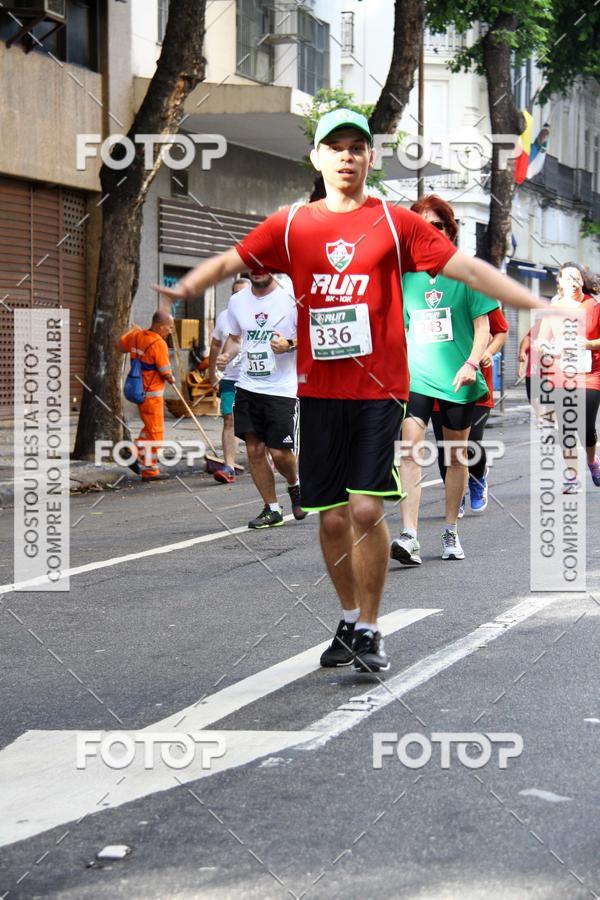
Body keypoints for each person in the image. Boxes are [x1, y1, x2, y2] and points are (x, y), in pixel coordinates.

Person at [156, 107, 547, 673]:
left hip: (379, 390)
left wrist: (535, 301)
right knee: (332, 516)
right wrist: (179, 290)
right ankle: (346, 618)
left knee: (364, 508)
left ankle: (370, 625)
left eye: (356, 147)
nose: (346, 155)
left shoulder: (394, 223)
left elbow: (468, 270)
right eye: (334, 146)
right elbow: (233, 260)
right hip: (316, 393)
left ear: (370, 158)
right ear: (317, 158)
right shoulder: (292, 225)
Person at [391, 195, 499, 565]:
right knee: (409, 449)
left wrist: (471, 363)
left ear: (448, 231)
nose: (428, 231)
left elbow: (484, 327)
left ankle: (450, 530)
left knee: (455, 456)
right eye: (421, 225)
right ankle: (409, 534)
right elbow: (400, 330)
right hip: (417, 379)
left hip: (458, 379)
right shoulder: (405, 278)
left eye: (436, 225)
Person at [217, 270, 308, 527]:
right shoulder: (238, 301)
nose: (259, 271)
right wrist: (226, 356)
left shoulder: (291, 297)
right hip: (247, 385)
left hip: (282, 389)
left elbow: (312, 335)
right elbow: (236, 339)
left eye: (264, 265)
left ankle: (295, 485)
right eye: (253, 265)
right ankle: (271, 508)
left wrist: (289, 343)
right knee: (255, 450)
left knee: (280, 453)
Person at [432, 305, 509, 514]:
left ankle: (478, 477)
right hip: (440, 381)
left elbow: (501, 330)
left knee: (472, 441)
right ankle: (455, 495)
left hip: (476, 382)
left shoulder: (478, 292)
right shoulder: (431, 292)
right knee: (445, 448)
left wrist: (489, 351)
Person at [536, 262, 600, 491]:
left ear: (583, 280)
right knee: (566, 427)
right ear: (560, 282)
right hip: (563, 374)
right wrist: (548, 348)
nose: (572, 282)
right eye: (567, 278)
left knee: (585, 426)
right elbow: (541, 340)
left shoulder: (594, 306)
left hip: (591, 374)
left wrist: (588, 344)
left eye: (576, 278)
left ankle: (592, 462)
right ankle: (573, 476)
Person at [117, 309, 175, 481]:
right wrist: (171, 378)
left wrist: (135, 335)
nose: (170, 331)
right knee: (156, 432)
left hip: (138, 391)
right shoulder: (158, 343)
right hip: (152, 394)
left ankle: (132, 451)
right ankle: (149, 470)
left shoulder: (136, 336)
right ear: (160, 326)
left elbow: (119, 346)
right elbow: (165, 370)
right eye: (169, 327)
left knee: (149, 429)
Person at [208, 276, 250, 484]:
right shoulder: (224, 317)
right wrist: (211, 371)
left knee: (260, 422)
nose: (239, 298)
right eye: (236, 293)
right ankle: (229, 466)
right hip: (230, 378)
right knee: (229, 418)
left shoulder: (263, 314)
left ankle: (270, 457)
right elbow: (216, 345)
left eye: (244, 293)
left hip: (256, 380)